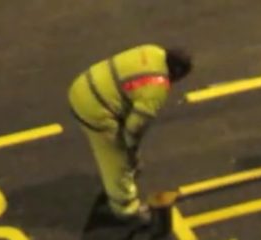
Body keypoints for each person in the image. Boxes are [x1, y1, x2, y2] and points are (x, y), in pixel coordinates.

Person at [68, 45, 193, 224]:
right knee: (117, 159)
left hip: (82, 86)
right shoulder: (157, 88)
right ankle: (126, 209)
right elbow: (135, 127)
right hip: (95, 109)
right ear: (178, 72)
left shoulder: (152, 51)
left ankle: (122, 182)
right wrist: (130, 150)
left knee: (121, 153)